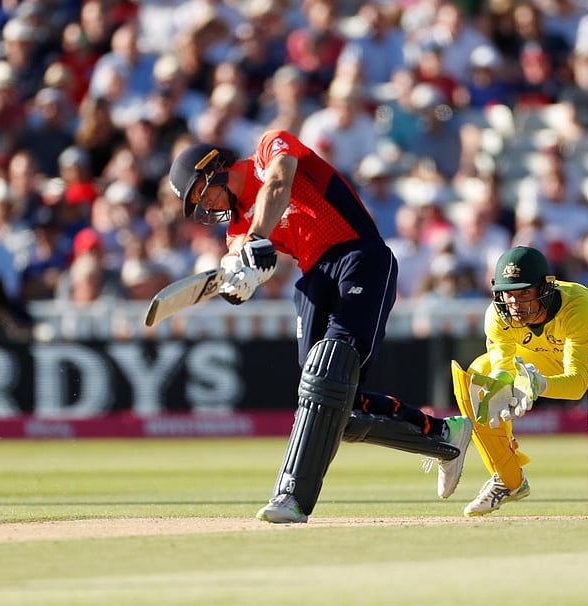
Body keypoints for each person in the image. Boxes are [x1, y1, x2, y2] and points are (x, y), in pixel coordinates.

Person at [166, 130, 473, 524]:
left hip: (359, 254)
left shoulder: (267, 149)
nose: (206, 205)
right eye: (197, 204)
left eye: (201, 194)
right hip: (313, 278)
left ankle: (291, 497)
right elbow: (250, 267)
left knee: (329, 376)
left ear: (216, 169)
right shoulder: (236, 230)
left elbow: (279, 182)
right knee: (328, 400)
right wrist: (238, 280)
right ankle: (442, 435)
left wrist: (256, 239)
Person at [449, 246, 588, 516]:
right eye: (509, 294)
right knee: (477, 376)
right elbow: (503, 368)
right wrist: (501, 380)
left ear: (545, 289)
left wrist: (539, 385)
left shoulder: (575, 306)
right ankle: (508, 479)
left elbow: (579, 382)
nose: (516, 304)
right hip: (542, 352)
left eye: (525, 293)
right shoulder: (497, 316)